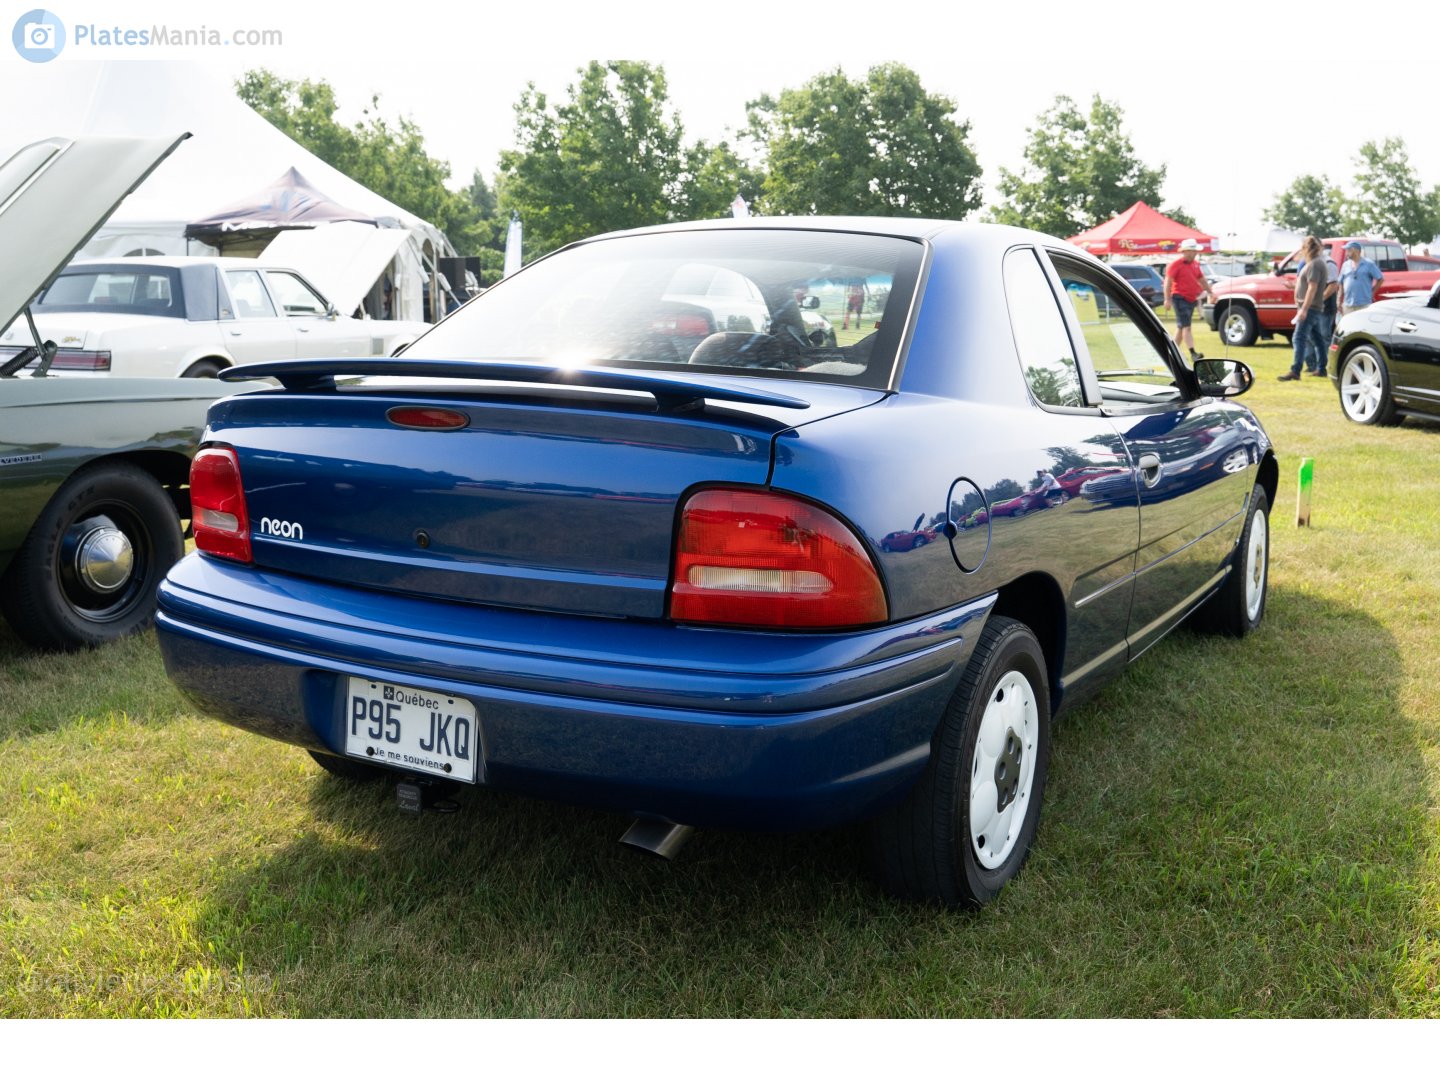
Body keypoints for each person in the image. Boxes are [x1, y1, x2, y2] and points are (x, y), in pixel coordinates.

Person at [1280, 236, 1328, 382]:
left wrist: (1304, 309)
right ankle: (1321, 368)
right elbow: (1309, 285)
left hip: (1310, 307)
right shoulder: (1316, 263)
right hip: (1312, 307)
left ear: (1307, 248)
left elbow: (1312, 288)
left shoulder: (1314, 264)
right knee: (1317, 338)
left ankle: (1296, 370)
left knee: (1299, 337)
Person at [1163, 238, 1215, 363]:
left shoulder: (1195, 264)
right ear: (1185, 251)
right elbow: (1168, 282)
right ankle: (1193, 353)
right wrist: (1167, 299)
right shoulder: (1175, 265)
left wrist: (1209, 291)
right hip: (1180, 298)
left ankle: (1172, 353)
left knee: (1181, 327)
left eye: (1196, 251)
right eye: (1193, 251)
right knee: (1187, 327)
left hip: (1191, 299)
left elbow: (1202, 279)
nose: (1195, 253)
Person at [1339, 241, 1384, 316]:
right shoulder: (1345, 265)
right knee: (1349, 326)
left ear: (1357, 251)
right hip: (1348, 304)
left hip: (1364, 304)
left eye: (1349, 250)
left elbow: (1380, 279)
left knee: (1362, 326)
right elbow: (1341, 282)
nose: (1346, 252)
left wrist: (1372, 292)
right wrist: (1339, 300)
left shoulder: (1369, 264)